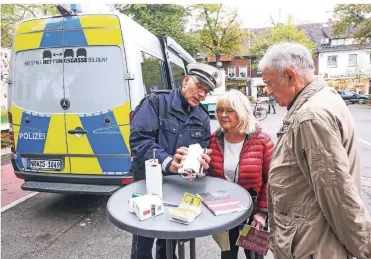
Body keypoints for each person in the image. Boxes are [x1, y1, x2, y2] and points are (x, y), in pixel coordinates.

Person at [258, 42, 371, 259]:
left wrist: (366, 248)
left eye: (269, 83)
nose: (268, 91)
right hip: (311, 240)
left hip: (311, 246)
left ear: (290, 76)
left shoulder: (310, 116)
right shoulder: (320, 99)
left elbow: (339, 197)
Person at [129, 63, 222, 259]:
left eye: (207, 91)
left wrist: (200, 165)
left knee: (170, 241)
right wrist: (167, 161)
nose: (202, 94)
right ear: (186, 80)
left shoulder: (202, 117)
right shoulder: (156, 102)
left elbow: (202, 148)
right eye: (200, 87)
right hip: (148, 183)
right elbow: (139, 139)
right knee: (143, 241)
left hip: (179, 188)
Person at [208, 89, 274, 259]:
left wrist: (263, 212)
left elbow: (272, 180)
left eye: (229, 111)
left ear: (242, 113)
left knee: (254, 256)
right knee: (227, 254)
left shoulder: (262, 141)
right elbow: (209, 176)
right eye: (220, 110)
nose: (223, 115)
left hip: (253, 214)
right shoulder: (213, 141)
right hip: (225, 212)